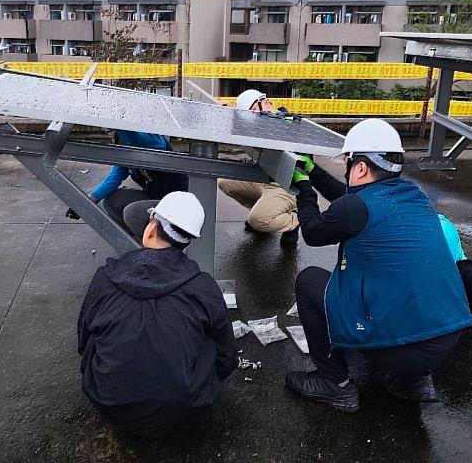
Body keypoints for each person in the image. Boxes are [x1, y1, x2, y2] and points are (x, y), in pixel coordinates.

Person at [286, 119, 472, 412]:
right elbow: (351, 200)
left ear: (360, 168)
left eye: (347, 163)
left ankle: (334, 384)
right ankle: (412, 382)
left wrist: (303, 189)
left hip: (402, 350)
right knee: (406, 286)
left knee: (310, 281)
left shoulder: (357, 208)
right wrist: (313, 171)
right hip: (446, 339)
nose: (346, 170)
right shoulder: (416, 197)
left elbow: (312, 231)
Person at [77, 192, 237, 437]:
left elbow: (83, 340)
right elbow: (227, 356)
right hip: (186, 410)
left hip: (109, 403)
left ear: (151, 229)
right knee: (211, 336)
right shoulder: (203, 286)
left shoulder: (105, 277)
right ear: (188, 241)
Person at [66, 130, 188, 237]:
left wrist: (114, 120)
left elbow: (133, 137)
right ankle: (137, 240)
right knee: (111, 202)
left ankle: (153, 248)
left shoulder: (151, 141)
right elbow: (113, 179)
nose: (109, 136)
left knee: (132, 212)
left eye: (110, 132)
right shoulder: (125, 150)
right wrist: (85, 202)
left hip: (174, 207)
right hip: (155, 199)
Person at [217, 89, 300, 246]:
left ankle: (293, 220)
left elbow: (274, 131)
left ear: (267, 103)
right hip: (265, 179)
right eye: (250, 114)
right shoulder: (259, 124)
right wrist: (230, 114)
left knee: (258, 221)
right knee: (224, 182)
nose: (253, 118)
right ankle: (263, 213)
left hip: (286, 186)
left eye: (254, 111)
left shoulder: (288, 123)